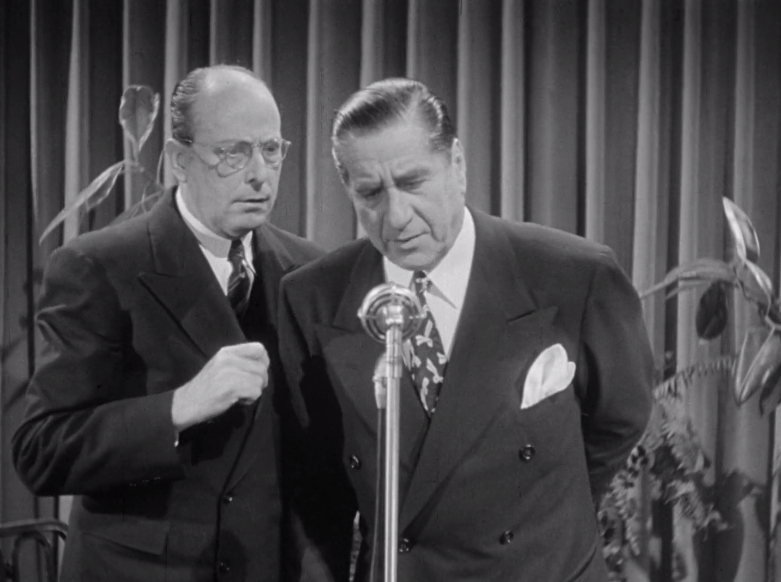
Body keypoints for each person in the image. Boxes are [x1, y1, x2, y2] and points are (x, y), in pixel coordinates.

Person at [277, 78, 655, 581]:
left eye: (413, 182)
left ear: (456, 164)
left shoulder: (574, 275)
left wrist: (540, 516)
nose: (396, 216)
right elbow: (315, 488)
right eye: (370, 193)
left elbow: (621, 418)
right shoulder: (312, 297)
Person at [12, 65, 323, 582]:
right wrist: (177, 408)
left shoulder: (308, 271)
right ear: (180, 160)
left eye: (271, 150)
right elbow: (41, 451)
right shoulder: (99, 265)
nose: (259, 174)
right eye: (233, 153)